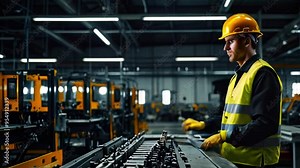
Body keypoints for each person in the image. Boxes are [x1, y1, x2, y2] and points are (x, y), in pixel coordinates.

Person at [200, 13, 282, 168]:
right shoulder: (238, 76)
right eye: (225, 43)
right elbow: (230, 118)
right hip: (234, 159)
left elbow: (265, 123)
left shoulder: (263, 74)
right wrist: (204, 125)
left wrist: (225, 136)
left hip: (254, 161)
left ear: (246, 41)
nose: (225, 48)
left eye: (230, 41)